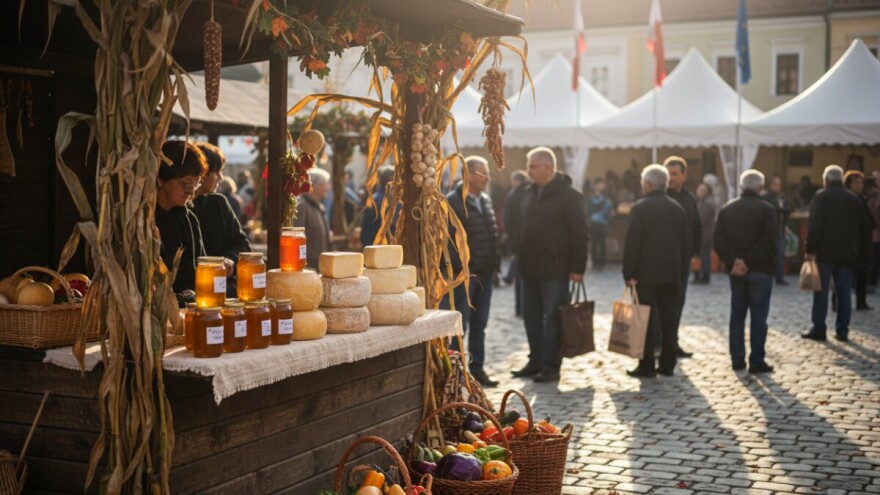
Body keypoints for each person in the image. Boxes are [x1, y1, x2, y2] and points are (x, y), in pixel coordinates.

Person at [513, 147, 589, 383]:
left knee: (554, 319)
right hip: (530, 268)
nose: (528, 171)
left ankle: (550, 365)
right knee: (530, 317)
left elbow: (580, 233)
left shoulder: (569, 195)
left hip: (556, 270)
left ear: (547, 167)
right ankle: (535, 360)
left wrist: (578, 268)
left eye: (532, 166)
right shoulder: (528, 192)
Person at [622, 165, 688, 378]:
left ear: (648, 184)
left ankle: (647, 364)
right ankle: (668, 364)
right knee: (669, 320)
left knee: (645, 321)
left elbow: (633, 243)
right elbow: (685, 244)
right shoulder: (677, 208)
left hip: (645, 274)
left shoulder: (641, 208)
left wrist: (628, 272)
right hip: (671, 274)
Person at [445, 156, 501, 387]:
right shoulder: (453, 202)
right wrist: (461, 269)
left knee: (480, 324)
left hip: (485, 275)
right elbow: (448, 241)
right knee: (460, 326)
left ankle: (477, 368)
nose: (487, 177)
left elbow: (490, 233)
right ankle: (456, 373)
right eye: (483, 173)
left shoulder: (485, 200)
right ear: (469, 174)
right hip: (464, 277)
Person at [713, 170, 777, 374]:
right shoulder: (767, 210)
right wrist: (747, 261)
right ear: (760, 188)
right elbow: (769, 242)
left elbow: (718, 241)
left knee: (737, 315)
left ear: (741, 187)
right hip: (760, 270)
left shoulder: (727, 209)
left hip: (736, 272)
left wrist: (735, 261)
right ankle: (757, 360)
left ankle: (737, 359)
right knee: (759, 317)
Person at [802, 165, 868, 343]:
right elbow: (864, 227)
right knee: (844, 292)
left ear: (826, 180)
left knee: (821, 291)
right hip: (848, 252)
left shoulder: (821, 196)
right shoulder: (853, 198)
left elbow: (815, 225)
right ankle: (842, 330)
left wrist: (809, 249)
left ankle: (819, 328)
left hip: (826, 252)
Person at [192, 143, 252, 297]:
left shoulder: (218, 203)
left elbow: (243, 245)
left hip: (221, 290)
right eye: (217, 172)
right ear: (202, 173)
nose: (221, 177)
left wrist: (230, 261)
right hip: (191, 293)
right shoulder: (178, 209)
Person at [155, 141, 208, 296]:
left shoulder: (189, 219)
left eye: (195, 185)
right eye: (185, 184)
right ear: (160, 179)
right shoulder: (143, 222)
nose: (190, 192)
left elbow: (202, 267)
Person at [663, 156, 700, 358]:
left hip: (682, 262)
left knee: (678, 303)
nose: (671, 178)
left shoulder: (689, 198)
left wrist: (693, 253)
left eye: (675, 173)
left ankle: (672, 342)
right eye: (668, 173)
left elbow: (696, 227)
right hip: (663, 262)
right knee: (662, 305)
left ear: (684, 175)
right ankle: (661, 344)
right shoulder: (661, 196)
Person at [844, 171, 875, 310]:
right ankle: (837, 302)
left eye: (860, 182)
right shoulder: (848, 199)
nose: (859, 185)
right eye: (856, 182)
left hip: (864, 242)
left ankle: (861, 302)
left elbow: (868, 220)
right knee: (845, 274)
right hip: (852, 242)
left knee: (863, 273)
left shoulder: (861, 199)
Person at [293, 168, 332, 269]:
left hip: (319, 265)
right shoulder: (301, 205)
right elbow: (296, 238)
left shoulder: (319, 206)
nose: (328, 188)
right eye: (325, 184)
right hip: (308, 267)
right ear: (315, 185)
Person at [503, 170, 529, 317]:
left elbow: (508, 217)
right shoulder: (528, 192)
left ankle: (521, 308)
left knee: (521, 278)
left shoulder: (515, 194)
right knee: (523, 277)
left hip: (519, 240)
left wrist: (513, 237)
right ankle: (523, 308)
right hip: (525, 240)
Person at [762, 177, 791, 285]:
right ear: (771, 185)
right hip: (769, 233)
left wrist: (783, 209)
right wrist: (779, 208)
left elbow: (789, 207)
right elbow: (769, 209)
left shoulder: (782, 197)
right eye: (775, 184)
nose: (777, 187)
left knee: (780, 256)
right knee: (768, 255)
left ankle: (779, 277)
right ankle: (767, 277)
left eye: (779, 184)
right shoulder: (766, 197)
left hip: (780, 231)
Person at [361, 165, 396, 247]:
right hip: (395, 249)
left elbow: (365, 231)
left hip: (375, 248)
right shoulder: (399, 201)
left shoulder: (372, 200)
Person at [587, 179, 614, 271]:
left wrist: (605, 220)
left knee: (602, 244)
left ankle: (602, 264)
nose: (599, 186)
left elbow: (609, 212)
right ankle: (595, 263)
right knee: (594, 244)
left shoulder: (606, 200)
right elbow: (588, 211)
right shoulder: (590, 199)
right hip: (593, 225)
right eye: (598, 184)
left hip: (602, 225)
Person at [694, 182, 717, 284]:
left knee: (705, 256)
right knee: (703, 255)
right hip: (704, 234)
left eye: (702, 190)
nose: (699, 192)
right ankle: (701, 275)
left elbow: (701, 218)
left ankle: (705, 276)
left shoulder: (707, 203)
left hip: (705, 235)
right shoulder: (702, 202)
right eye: (699, 190)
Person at [866, 176, 880, 291]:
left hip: (871, 231)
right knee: (875, 257)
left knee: (871, 257)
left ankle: (871, 279)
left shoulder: (870, 197)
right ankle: (872, 278)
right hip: (875, 232)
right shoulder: (875, 197)